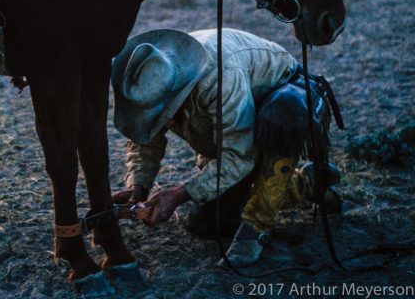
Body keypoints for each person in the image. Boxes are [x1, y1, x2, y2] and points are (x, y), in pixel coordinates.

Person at [110, 28, 341, 266]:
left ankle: (258, 226)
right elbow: (146, 140)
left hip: (286, 97)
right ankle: (308, 183)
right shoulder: (149, 81)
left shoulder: (218, 76)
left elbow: (239, 156)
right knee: (208, 224)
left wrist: (180, 194)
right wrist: (138, 185)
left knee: (281, 116)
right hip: (233, 129)